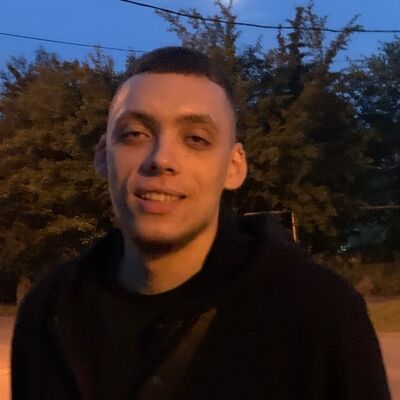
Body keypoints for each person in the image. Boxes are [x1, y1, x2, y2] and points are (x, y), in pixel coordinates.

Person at [11, 46, 391, 400]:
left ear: (234, 166)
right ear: (102, 155)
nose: (161, 159)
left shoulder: (319, 312)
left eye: (195, 138)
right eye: (135, 134)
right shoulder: (48, 310)